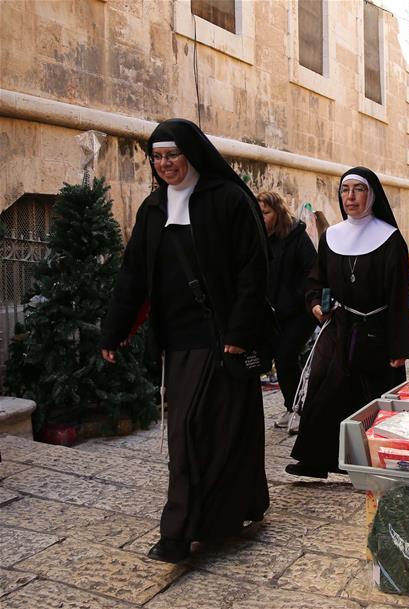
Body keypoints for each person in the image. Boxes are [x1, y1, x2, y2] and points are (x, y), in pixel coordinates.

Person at [99, 118, 270, 563]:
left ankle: (182, 531)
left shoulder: (229, 200)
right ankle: (219, 515)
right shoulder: (153, 209)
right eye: (157, 158)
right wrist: (113, 330)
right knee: (192, 432)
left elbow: (254, 270)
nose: (164, 164)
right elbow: (132, 274)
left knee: (208, 429)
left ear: (191, 153)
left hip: (221, 338)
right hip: (177, 342)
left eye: (171, 155)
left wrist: (240, 332)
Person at [285, 167, 409, 479]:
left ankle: (376, 460)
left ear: (371, 195)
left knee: (372, 396)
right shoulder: (331, 237)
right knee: (325, 390)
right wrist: (317, 304)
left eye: (358, 190)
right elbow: (317, 280)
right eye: (346, 190)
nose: (350, 197)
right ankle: (316, 459)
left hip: (377, 328)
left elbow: (400, 295)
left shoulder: (389, 239)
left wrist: (400, 346)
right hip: (340, 327)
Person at [257, 191, 317, 428]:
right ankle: (294, 406)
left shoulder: (297, 236)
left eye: (266, 212)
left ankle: (299, 409)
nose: (261, 217)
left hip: (299, 313)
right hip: (273, 314)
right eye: (259, 213)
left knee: (285, 357)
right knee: (279, 360)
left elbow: (312, 271)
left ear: (278, 212)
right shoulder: (259, 238)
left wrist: (295, 297)